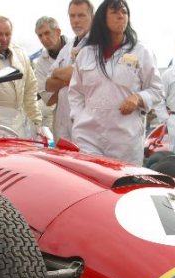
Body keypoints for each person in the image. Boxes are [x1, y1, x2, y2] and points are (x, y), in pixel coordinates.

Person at [69, 0, 162, 165]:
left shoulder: (141, 51)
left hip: (125, 138)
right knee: (90, 183)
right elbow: (75, 92)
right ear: (102, 19)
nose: (121, 16)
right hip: (88, 136)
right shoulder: (86, 54)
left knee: (123, 185)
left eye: (124, 12)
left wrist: (138, 98)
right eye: (114, 12)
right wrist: (78, 118)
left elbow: (157, 90)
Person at [46, 0, 94, 141]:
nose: (76, 21)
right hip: (63, 123)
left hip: (87, 125)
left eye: (81, 15)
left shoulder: (97, 45)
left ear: (93, 17)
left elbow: (78, 74)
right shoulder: (67, 48)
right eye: (72, 16)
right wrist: (63, 74)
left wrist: (58, 73)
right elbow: (48, 84)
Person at [33, 16, 66, 131]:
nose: (44, 38)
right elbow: (49, 100)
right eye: (40, 35)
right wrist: (69, 79)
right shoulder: (41, 63)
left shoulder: (78, 47)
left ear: (57, 32)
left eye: (47, 33)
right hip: (62, 117)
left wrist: (55, 82)